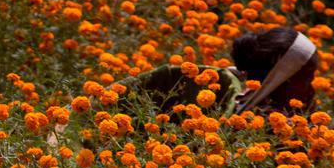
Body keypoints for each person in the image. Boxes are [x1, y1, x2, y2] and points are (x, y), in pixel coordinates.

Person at [117, 27, 319, 121]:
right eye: (307, 75)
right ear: (281, 77)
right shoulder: (231, 105)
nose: (312, 82)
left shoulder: (301, 110)